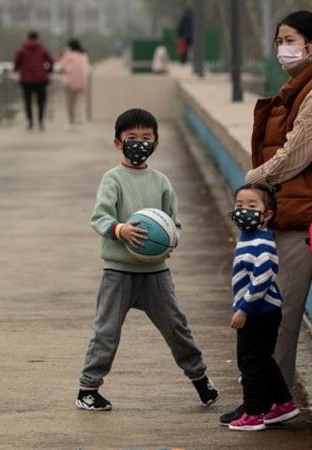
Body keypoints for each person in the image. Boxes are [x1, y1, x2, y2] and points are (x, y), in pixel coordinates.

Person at [235, 10, 312, 417]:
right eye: (278, 41)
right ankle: (267, 397)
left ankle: (272, 401)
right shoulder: (305, 85)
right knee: (271, 309)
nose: (281, 49)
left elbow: (297, 153)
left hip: (310, 213)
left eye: (288, 40)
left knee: (277, 313)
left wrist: (256, 179)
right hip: (297, 208)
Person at [76, 108, 219, 411]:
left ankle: (200, 379)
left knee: (177, 327)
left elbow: (174, 224)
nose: (139, 143)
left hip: (156, 273)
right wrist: (120, 229)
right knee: (106, 332)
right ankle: (88, 389)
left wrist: (170, 241)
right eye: (131, 138)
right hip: (118, 272)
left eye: (146, 138)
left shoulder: (161, 182)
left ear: (156, 143)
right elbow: (99, 217)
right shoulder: (112, 180)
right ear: (118, 143)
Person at [220, 183, 300, 431]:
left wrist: (243, 309)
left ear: (267, 215)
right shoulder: (250, 238)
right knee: (263, 360)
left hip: (258, 312)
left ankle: (253, 413)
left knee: (250, 362)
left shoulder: (262, 245)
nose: (243, 210)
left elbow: (263, 279)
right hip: (261, 310)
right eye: (239, 205)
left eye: (251, 206)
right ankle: (283, 404)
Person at [13, 31, 53, 131]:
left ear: (28, 38)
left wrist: (17, 70)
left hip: (26, 80)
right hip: (41, 79)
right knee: (41, 101)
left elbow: (16, 63)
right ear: (37, 38)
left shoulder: (22, 50)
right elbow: (51, 61)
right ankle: (40, 121)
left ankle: (30, 122)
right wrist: (48, 71)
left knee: (28, 102)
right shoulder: (42, 49)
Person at [55, 39, 90, 129]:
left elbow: (58, 67)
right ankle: (79, 118)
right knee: (80, 101)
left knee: (70, 102)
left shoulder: (68, 55)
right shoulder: (84, 55)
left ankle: (71, 120)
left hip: (69, 82)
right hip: (81, 81)